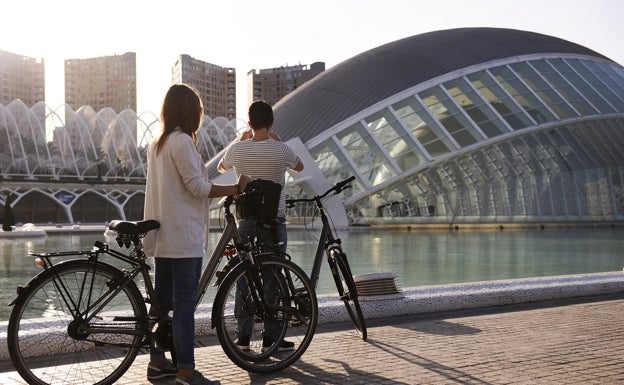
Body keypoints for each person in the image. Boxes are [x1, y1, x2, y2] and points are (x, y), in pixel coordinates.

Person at [143, 83, 250, 385]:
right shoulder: (182, 142)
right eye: (200, 110)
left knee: (162, 303)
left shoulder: (158, 143)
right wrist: (235, 188)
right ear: (191, 111)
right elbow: (198, 188)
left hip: (163, 235)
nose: (202, 115)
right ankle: (187, 373)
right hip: (183, 236)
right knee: (185, 306)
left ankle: (158, 362)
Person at [217, 100, 304, 351]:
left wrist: (241, 141)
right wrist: (277, 143)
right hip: (273, 222)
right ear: (272, 123)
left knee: (244, 277)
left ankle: (242, 338)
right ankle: (271, 339)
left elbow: (221, 166)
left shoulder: (239, 149)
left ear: (250, 123)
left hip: (246, 221)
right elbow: (300, 167)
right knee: (272, 277)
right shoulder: (281, 149)